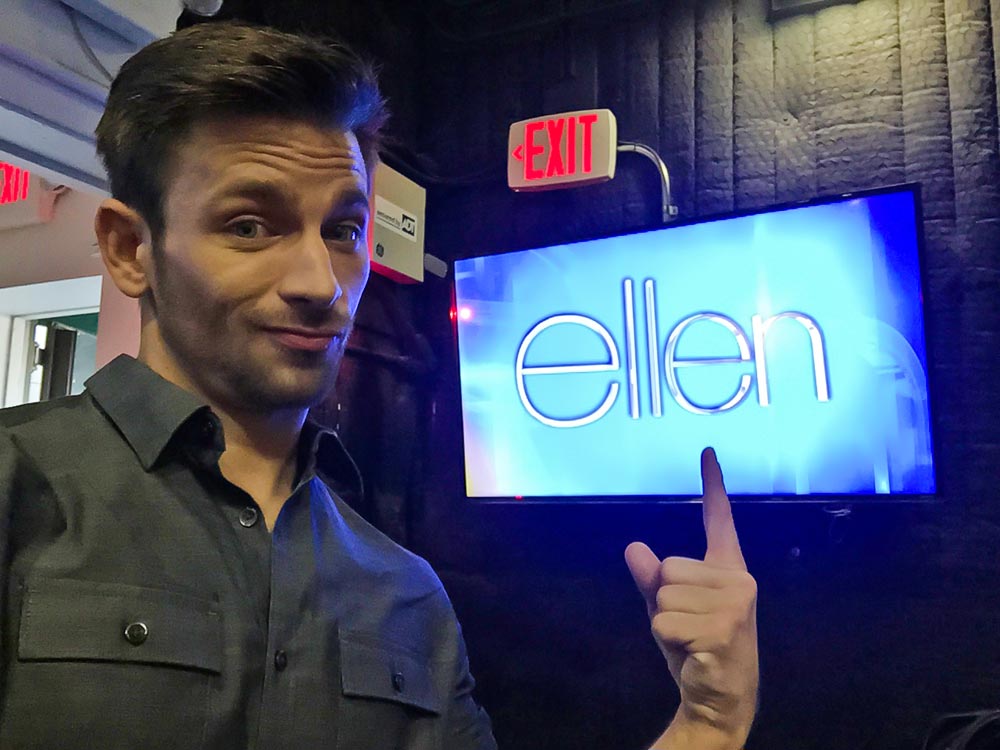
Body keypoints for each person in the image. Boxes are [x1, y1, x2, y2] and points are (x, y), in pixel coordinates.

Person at [0, 21, 758, 750]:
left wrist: (708, 725)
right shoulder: (16, 486)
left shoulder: (405, 591)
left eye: (343, 230)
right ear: (130, 249)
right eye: (249, 226)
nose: (320, 282)